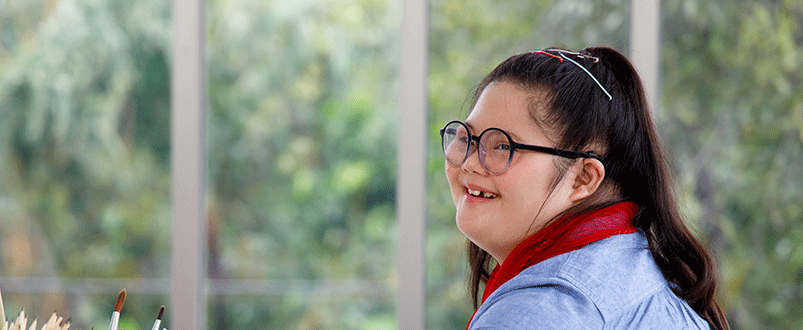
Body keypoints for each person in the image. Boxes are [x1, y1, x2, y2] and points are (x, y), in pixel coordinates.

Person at [439, 47, 729, 329]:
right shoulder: (637, 266)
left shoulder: (536, 313)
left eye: (503, 145)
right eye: (467, 138)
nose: (470, 163)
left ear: (583, 178)